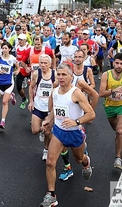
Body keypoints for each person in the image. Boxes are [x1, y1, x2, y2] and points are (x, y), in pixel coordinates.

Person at [39, 63, 95, 207]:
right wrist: (48, 120)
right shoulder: (55, 91)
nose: (61, 77)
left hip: (75, 133)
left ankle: (86, 162)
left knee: (78, 159)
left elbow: (91, 114)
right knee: (50, 162)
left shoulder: (76, 93)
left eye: (64, 74)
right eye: (58, 74)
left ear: (71, 76)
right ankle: (51, 195)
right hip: (58, 132)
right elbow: (55, 110)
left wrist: (76, 122)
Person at [28, 55, 57, 161]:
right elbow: (31, 88)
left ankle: (46, 150)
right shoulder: (36, 74)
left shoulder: (55, 75)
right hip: (38, 106)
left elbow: (59, 91)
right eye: (41, 63)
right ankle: (41, 130)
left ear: (50, 64)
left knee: (48, 132)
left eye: (45, 63)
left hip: (49, 109)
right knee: (35, 130)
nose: (43, 65)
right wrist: (31, 102)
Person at [0, 42, 19, 129]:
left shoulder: (12, 59)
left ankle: (2, 121)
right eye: (3, 48)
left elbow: (18, 68)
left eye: (5, 48)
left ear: (9, 49)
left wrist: (16, 72)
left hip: (9, 82)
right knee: (5, 99)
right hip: (0, 82)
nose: (4, 50)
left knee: (4, 102)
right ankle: (11, 97)